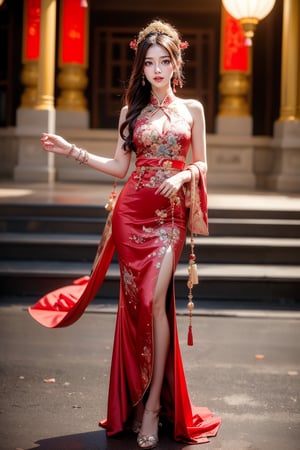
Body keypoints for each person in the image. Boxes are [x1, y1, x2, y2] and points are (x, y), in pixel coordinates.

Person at [36, 19, 221, 449]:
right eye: (149, 63)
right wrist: (71, 151)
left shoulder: (192, 109)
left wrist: (184, 177)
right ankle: (135, 402)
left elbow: (204, 163)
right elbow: (122, 169)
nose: (157, 70)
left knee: (156, 301)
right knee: (136, 309)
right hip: (132, 213)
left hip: (170, 216)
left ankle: (154, 406)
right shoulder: (130, 113)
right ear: (141, 69)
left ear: (177, 63)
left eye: (165, 61)